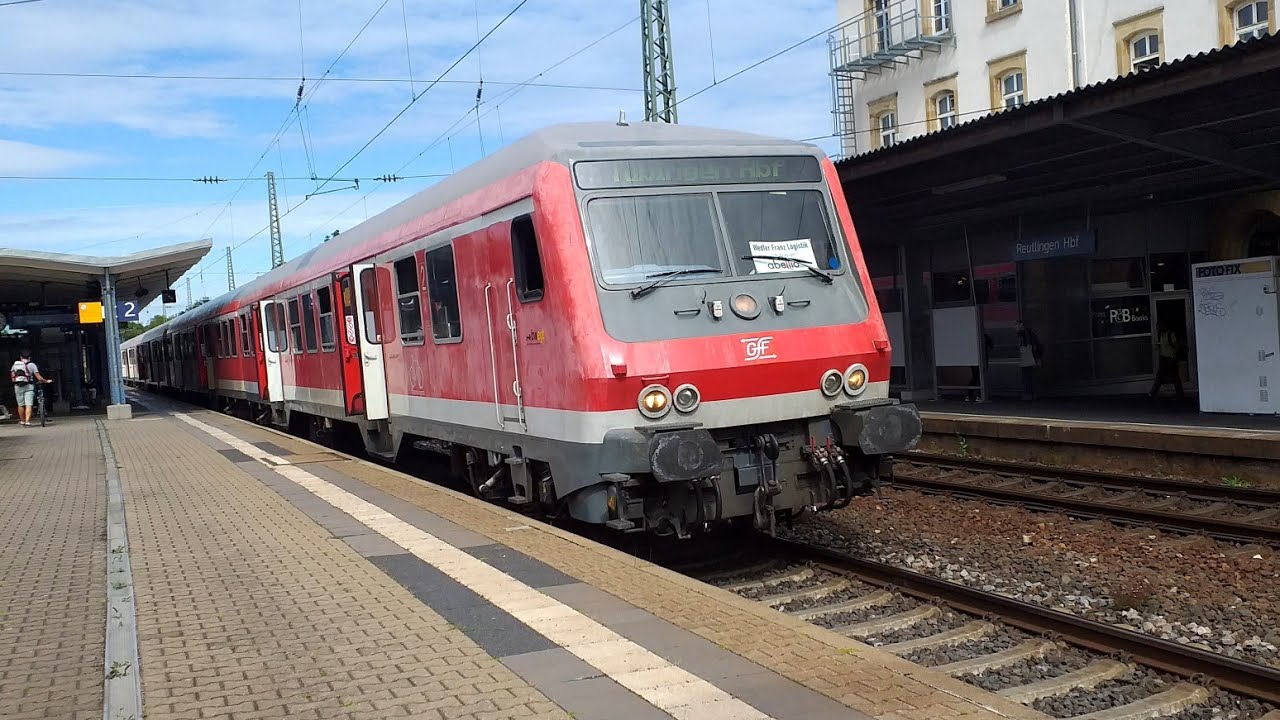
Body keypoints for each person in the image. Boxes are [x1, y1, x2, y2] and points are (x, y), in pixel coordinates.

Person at [10, 350, 52, 427]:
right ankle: (27, 422)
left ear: (20, 357)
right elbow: (39, 377)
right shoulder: (32, 365)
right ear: (29, 357)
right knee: (28, 404)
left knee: (20, 405)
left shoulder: (15, 365)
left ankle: (22, 421)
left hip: (18, 386)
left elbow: (13, 378)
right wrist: (46, 381)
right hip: (28, 386)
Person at [1149, 326, 1185, 399]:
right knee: (1160, 376)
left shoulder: (1170, 335)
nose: (1158, 328)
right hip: (1164, 357)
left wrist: (1174, 354)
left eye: (1159, 326)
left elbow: (1177, 345)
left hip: (1170, 358)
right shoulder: (1161, 335)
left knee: (1174, 376)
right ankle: (1153, 393)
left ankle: (1180, 394)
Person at [1015, 321, 1042, 400]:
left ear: (1021, 326)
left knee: (1027, 377)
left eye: (1017, 326)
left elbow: (1033, 346)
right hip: (1030, 358)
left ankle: (1029, 394)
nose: (1015, 328)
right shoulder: (1029, 334)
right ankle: (1031, 394)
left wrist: (1037, 357)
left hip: (1027, 359)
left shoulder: (1025, 335)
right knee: (1030, 377)